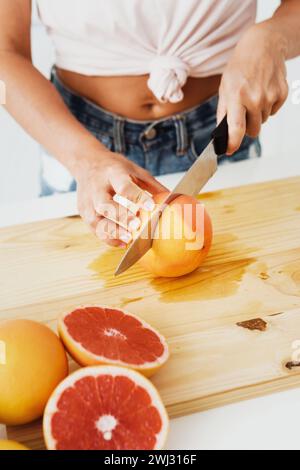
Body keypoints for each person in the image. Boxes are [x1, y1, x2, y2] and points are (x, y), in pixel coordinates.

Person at [0, 0, 299, 247]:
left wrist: (273, 37)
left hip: (221, 133)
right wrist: (86, 161)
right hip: (75, 146)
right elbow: (4, 52)